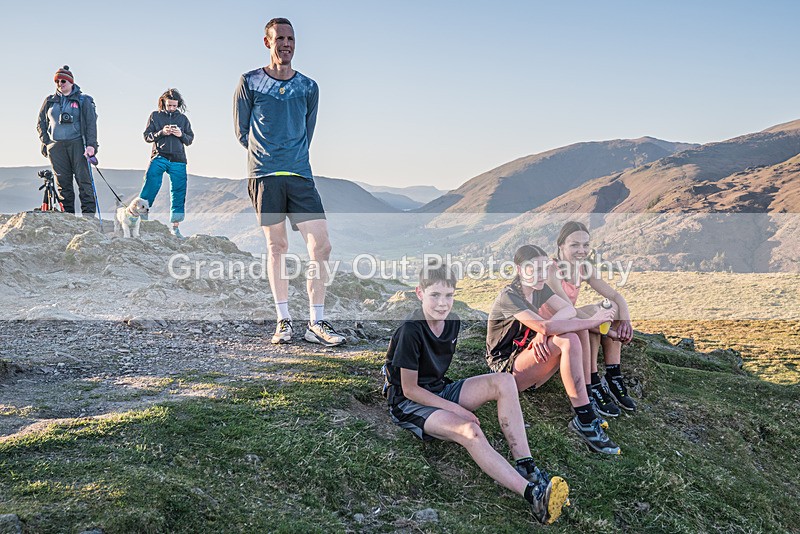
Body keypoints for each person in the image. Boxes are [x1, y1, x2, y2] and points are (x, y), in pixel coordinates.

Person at [382, 262, 570, 525]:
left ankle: (527, 466)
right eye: (434, 295)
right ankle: (533, 495)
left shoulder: (453, 322)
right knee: (470, 431)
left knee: (505, 381)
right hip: (408, 402)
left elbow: (435, 376)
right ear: (419, 293)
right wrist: (456, 409)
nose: (442, 303)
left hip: (439, 389)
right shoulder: (410, 330)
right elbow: (410, 389)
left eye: (448, 295)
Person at [234, 17, 344, 347]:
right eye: (280, 38)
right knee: (277, 246)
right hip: (265, 175)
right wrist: (268, 153)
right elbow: (242, 132)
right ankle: (283, 320)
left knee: (321, 246)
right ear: (267, 42)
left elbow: (307, 132)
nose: (286, 44)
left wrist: (291, 154)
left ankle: (316, 322)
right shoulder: (249, 81)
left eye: (291, 39)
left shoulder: (309, 87)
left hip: (300, 174)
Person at [486, 245, 621, 455]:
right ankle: (585, 419)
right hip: (507, 370)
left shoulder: (539, 290)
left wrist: (543, 332)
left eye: (544, 269)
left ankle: (586, 397)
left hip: (531, 357)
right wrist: (548, 328)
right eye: (535, 269)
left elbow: (567, 310)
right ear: (520, 269)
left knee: (578, 330)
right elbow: (545, 326)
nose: (542, 275)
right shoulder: (509, 296)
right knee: (568, 339)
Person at [542, 221, 637, 415]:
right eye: (574, 245)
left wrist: (626, 321)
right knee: (590, 323)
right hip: (554, 324)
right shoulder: (552, 270)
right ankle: (592, 380)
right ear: (561, 245)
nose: (582, 250)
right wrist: (609, 331)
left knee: (613, 308)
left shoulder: (583, 268)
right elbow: (568, 309)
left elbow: (615, 296)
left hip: (572, 319)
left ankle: (613, 377)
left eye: (586, 245)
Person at [37, 65, 98, 216]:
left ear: (71, 82)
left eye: (63, 81)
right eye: (57, 81)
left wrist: (91, 146)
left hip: (78, 144)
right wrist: (47, 141)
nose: (60, 84)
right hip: (56, 146)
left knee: (84, 182)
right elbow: (40, 123)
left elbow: (91, 124)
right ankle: (68, 218)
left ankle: (89, 218)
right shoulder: (49, 101)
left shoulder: (83, 100)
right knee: (63, 184)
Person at [140, 88, 194, 239]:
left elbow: (189, 139)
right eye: (169, 105)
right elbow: (147, 137)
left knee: (178, 192)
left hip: (178, 159)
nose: (171, 108)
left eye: (174, 106)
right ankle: (142, 220)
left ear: (178, 105)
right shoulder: (155, 116)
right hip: (159, 156)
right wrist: (162, 132)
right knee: (150, 184)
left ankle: (175, 228)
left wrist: (181, 134)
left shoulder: (183, 119)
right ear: (163, 103)